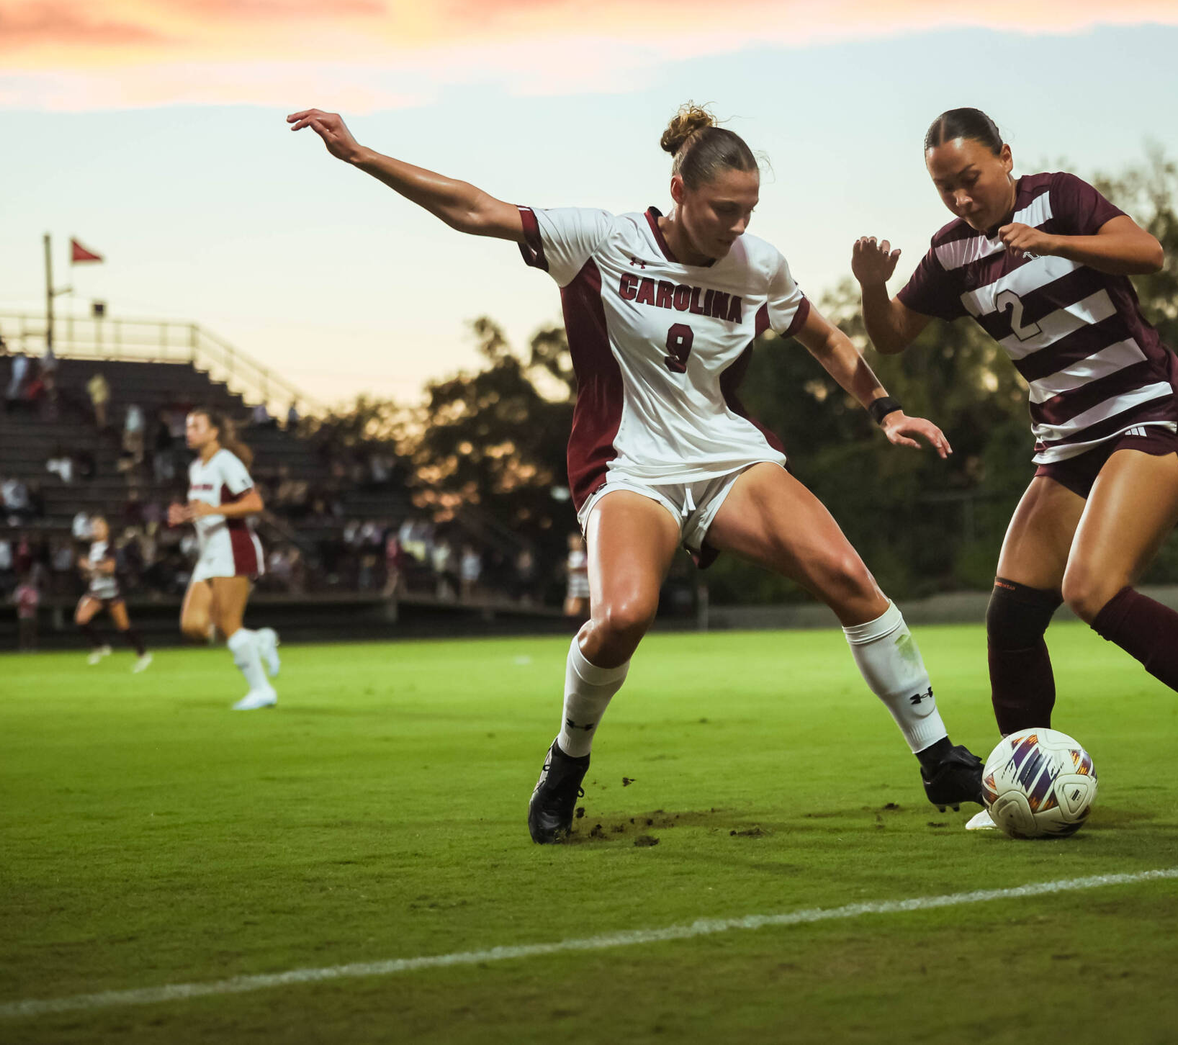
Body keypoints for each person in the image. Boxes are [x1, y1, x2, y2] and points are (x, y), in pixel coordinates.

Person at [290, 101, 989, 844]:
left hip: (729, 459)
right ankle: (566, 763)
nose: (739, 226)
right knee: (622, 617)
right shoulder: (602, 239)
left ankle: (938, 756)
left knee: (849, 577)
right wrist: (363, 156)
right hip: (630, 468)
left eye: (750, 209)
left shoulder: (759, 264)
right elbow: (475, 209)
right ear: (680, 191)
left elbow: (821, 335)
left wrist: (886, 410)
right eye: (725, 209)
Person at [853, 107, 1178, 822]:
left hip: (1146, 414)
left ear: (1005, 156)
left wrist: (1053, 240)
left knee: (1092, 589)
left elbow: (1148, 252)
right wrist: (874, 287)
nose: (962, 199)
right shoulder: (949, 254)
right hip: (1066, 441)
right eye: (945, 189)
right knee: (1012, 615)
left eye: (971, 179)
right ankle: (1023, 782)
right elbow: (894, 337)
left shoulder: (1057, 198)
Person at [167, 409, 281, 709]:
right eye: (187, 425)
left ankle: (262, 690)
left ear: (214, 431)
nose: (188, 431)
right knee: (193, 627)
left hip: (233, 546)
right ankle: (259, 640)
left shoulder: (226, 462)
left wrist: (213, 511)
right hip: (209, 554)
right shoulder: (196, 468)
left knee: (228, 623)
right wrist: (185, 514)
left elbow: (254, 502)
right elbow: (203, 509)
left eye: (195, 426)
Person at [78, 516, 151, 672]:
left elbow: (109, 568)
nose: (96, 529)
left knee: (123, 627)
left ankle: (143, 655)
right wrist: (87, 571)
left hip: (111, 592)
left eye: (99, 526)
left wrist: (89, 567)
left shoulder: (110, 546)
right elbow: (87, 572)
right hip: (96, 593)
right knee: (81, 619)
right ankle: (100, 646)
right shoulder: (90, 548)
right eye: (94, 527)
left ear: (107, 529)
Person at [562, 531, 589, 619]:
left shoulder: (585, 555)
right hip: (576, 587)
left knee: (587, 611)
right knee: (572, 611)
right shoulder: (572, 556)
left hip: (586, 587)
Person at [13, 574, 40, 651]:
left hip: (32, 614)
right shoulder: (19, 589)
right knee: (23, 632)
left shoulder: (33, 589)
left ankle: (33, 647)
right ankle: (23, 647)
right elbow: (16, 601)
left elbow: (36, 602)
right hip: (23, 614)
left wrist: (29, 603)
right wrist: (24, 603)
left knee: (32, 632)